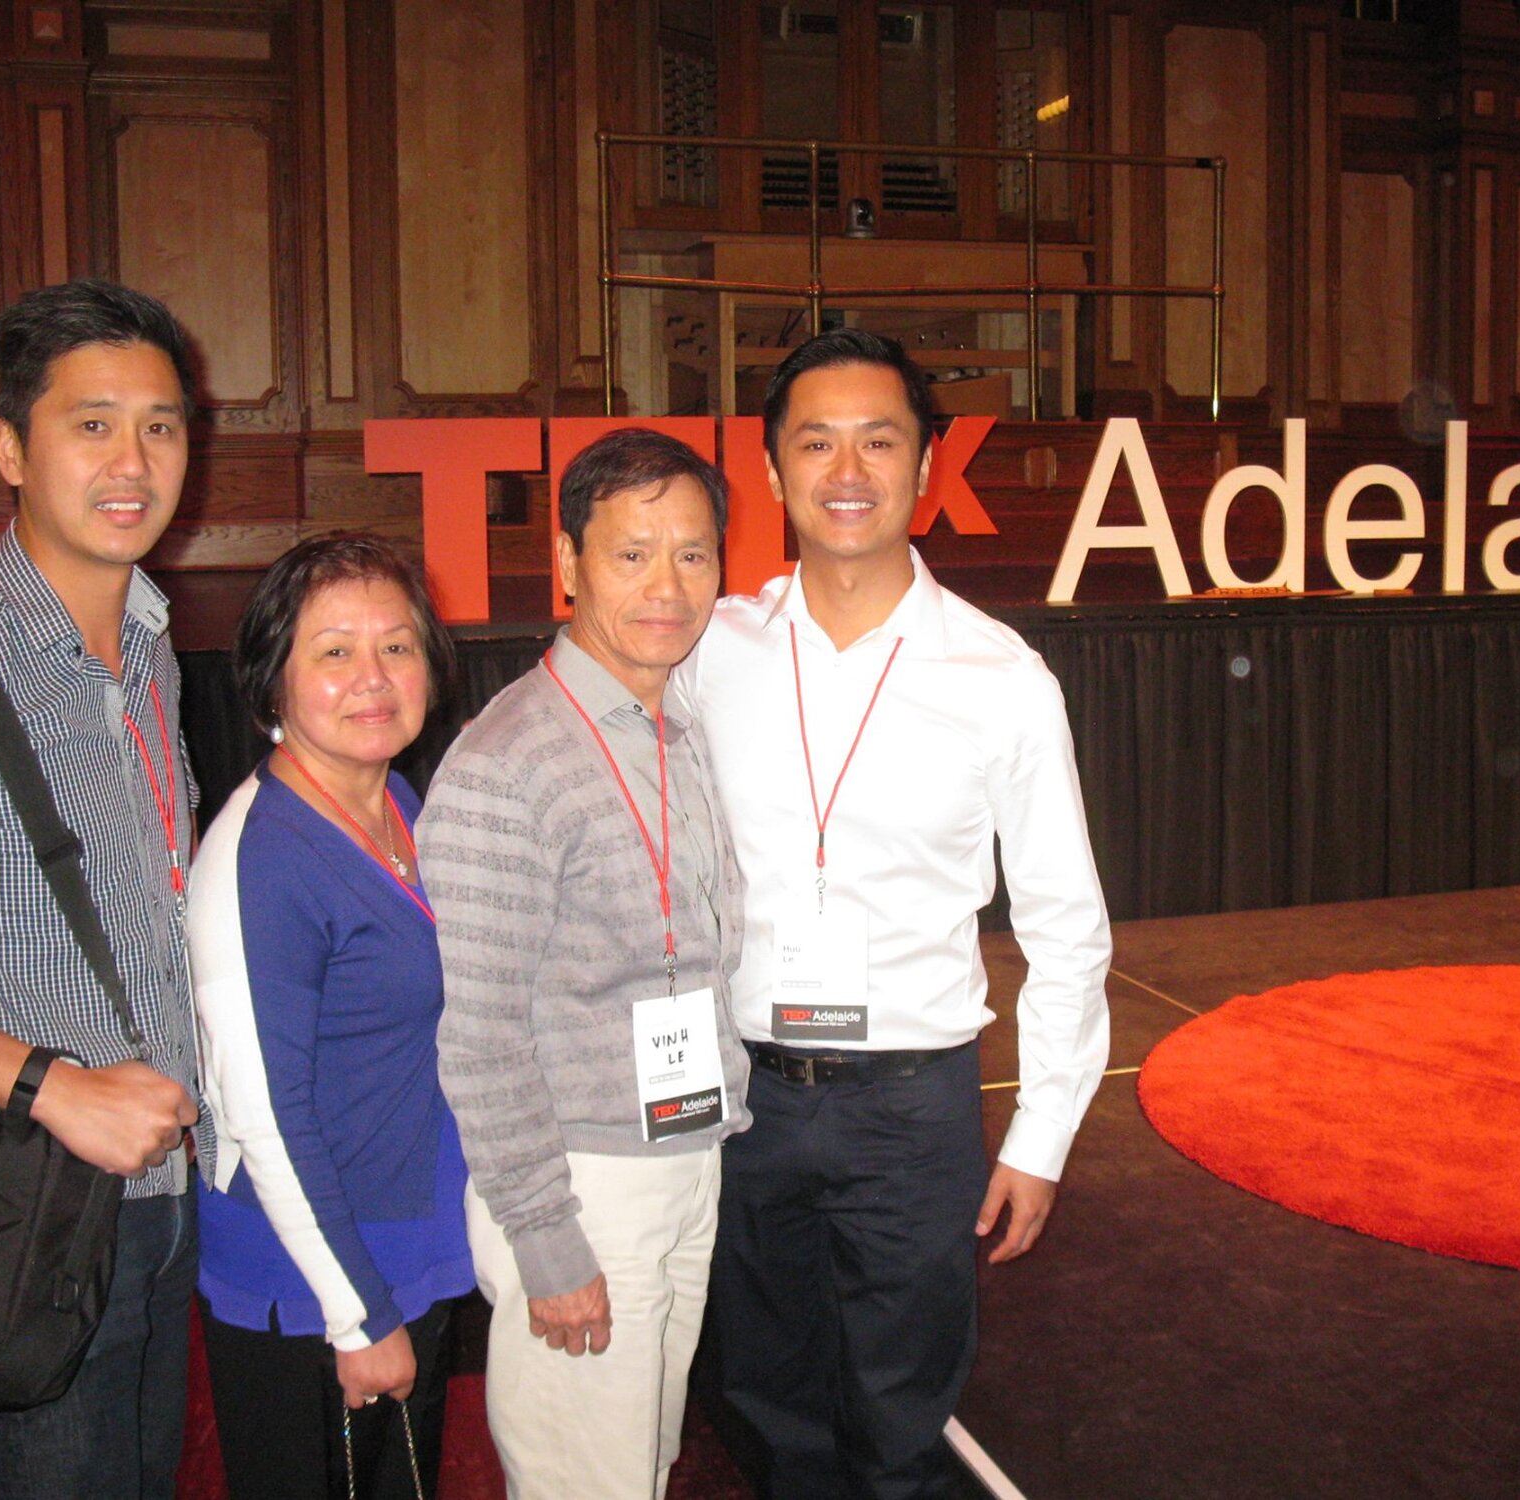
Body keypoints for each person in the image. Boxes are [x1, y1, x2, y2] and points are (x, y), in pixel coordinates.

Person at [676, 327, 1113, 1499]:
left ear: (927, 467)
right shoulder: (706, 652)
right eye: (815, 442)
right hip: (744, 1098)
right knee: (764, 1406)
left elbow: (1067, 926)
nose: (847, 470)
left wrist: (1040, 1134)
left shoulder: (1001, 678)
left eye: (879, 440)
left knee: (900, 1422)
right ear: (771, 472)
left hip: (912, 1109)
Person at [0, 278, 206, 1499]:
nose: (133, 460)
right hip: (29, 1202)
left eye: (160, 426)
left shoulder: (152, 650)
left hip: (162, 1199)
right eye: (92, 422)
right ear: (10, 447)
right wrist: (52, 1086)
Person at [420, 427, 750, 1500]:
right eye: (630, 553)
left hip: (679, 1154)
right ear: (565, 566)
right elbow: (477, 1033)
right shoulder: (510, 760)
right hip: (581, 1185)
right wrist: (544, 1240)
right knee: (581, 1483)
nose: (668, 585)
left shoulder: (676, 725)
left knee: (637, 1466)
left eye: (693, 554)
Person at [187, 535, 474, 1499]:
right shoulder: (259, 858)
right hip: (312, 1281)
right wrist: (356, 1314)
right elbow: (262, 1114)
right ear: (274, 683)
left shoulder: (394, 799)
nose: (374, 677)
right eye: (334, 651)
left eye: (397, 645)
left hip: (404, 1238)